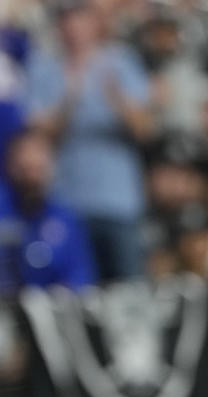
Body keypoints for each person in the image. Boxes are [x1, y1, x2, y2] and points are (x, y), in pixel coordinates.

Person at [23, 0, 154, 282]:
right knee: (78, 292)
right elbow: (36, 135)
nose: (73, 27)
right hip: (67, 200)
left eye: (80, 18)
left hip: (118, 202)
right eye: (66, 19)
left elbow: (145, 130)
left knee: (129, 288)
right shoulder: (44, 66)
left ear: (95, 23)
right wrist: (68, 101)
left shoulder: (121, 61)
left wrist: (117, 99)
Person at [0, 126, 97, 293]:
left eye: (37, 170)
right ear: (10, 165)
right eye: (25, 170)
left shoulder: (65, 218)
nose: (31, 179)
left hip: (52, 309)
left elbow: (81, 274)